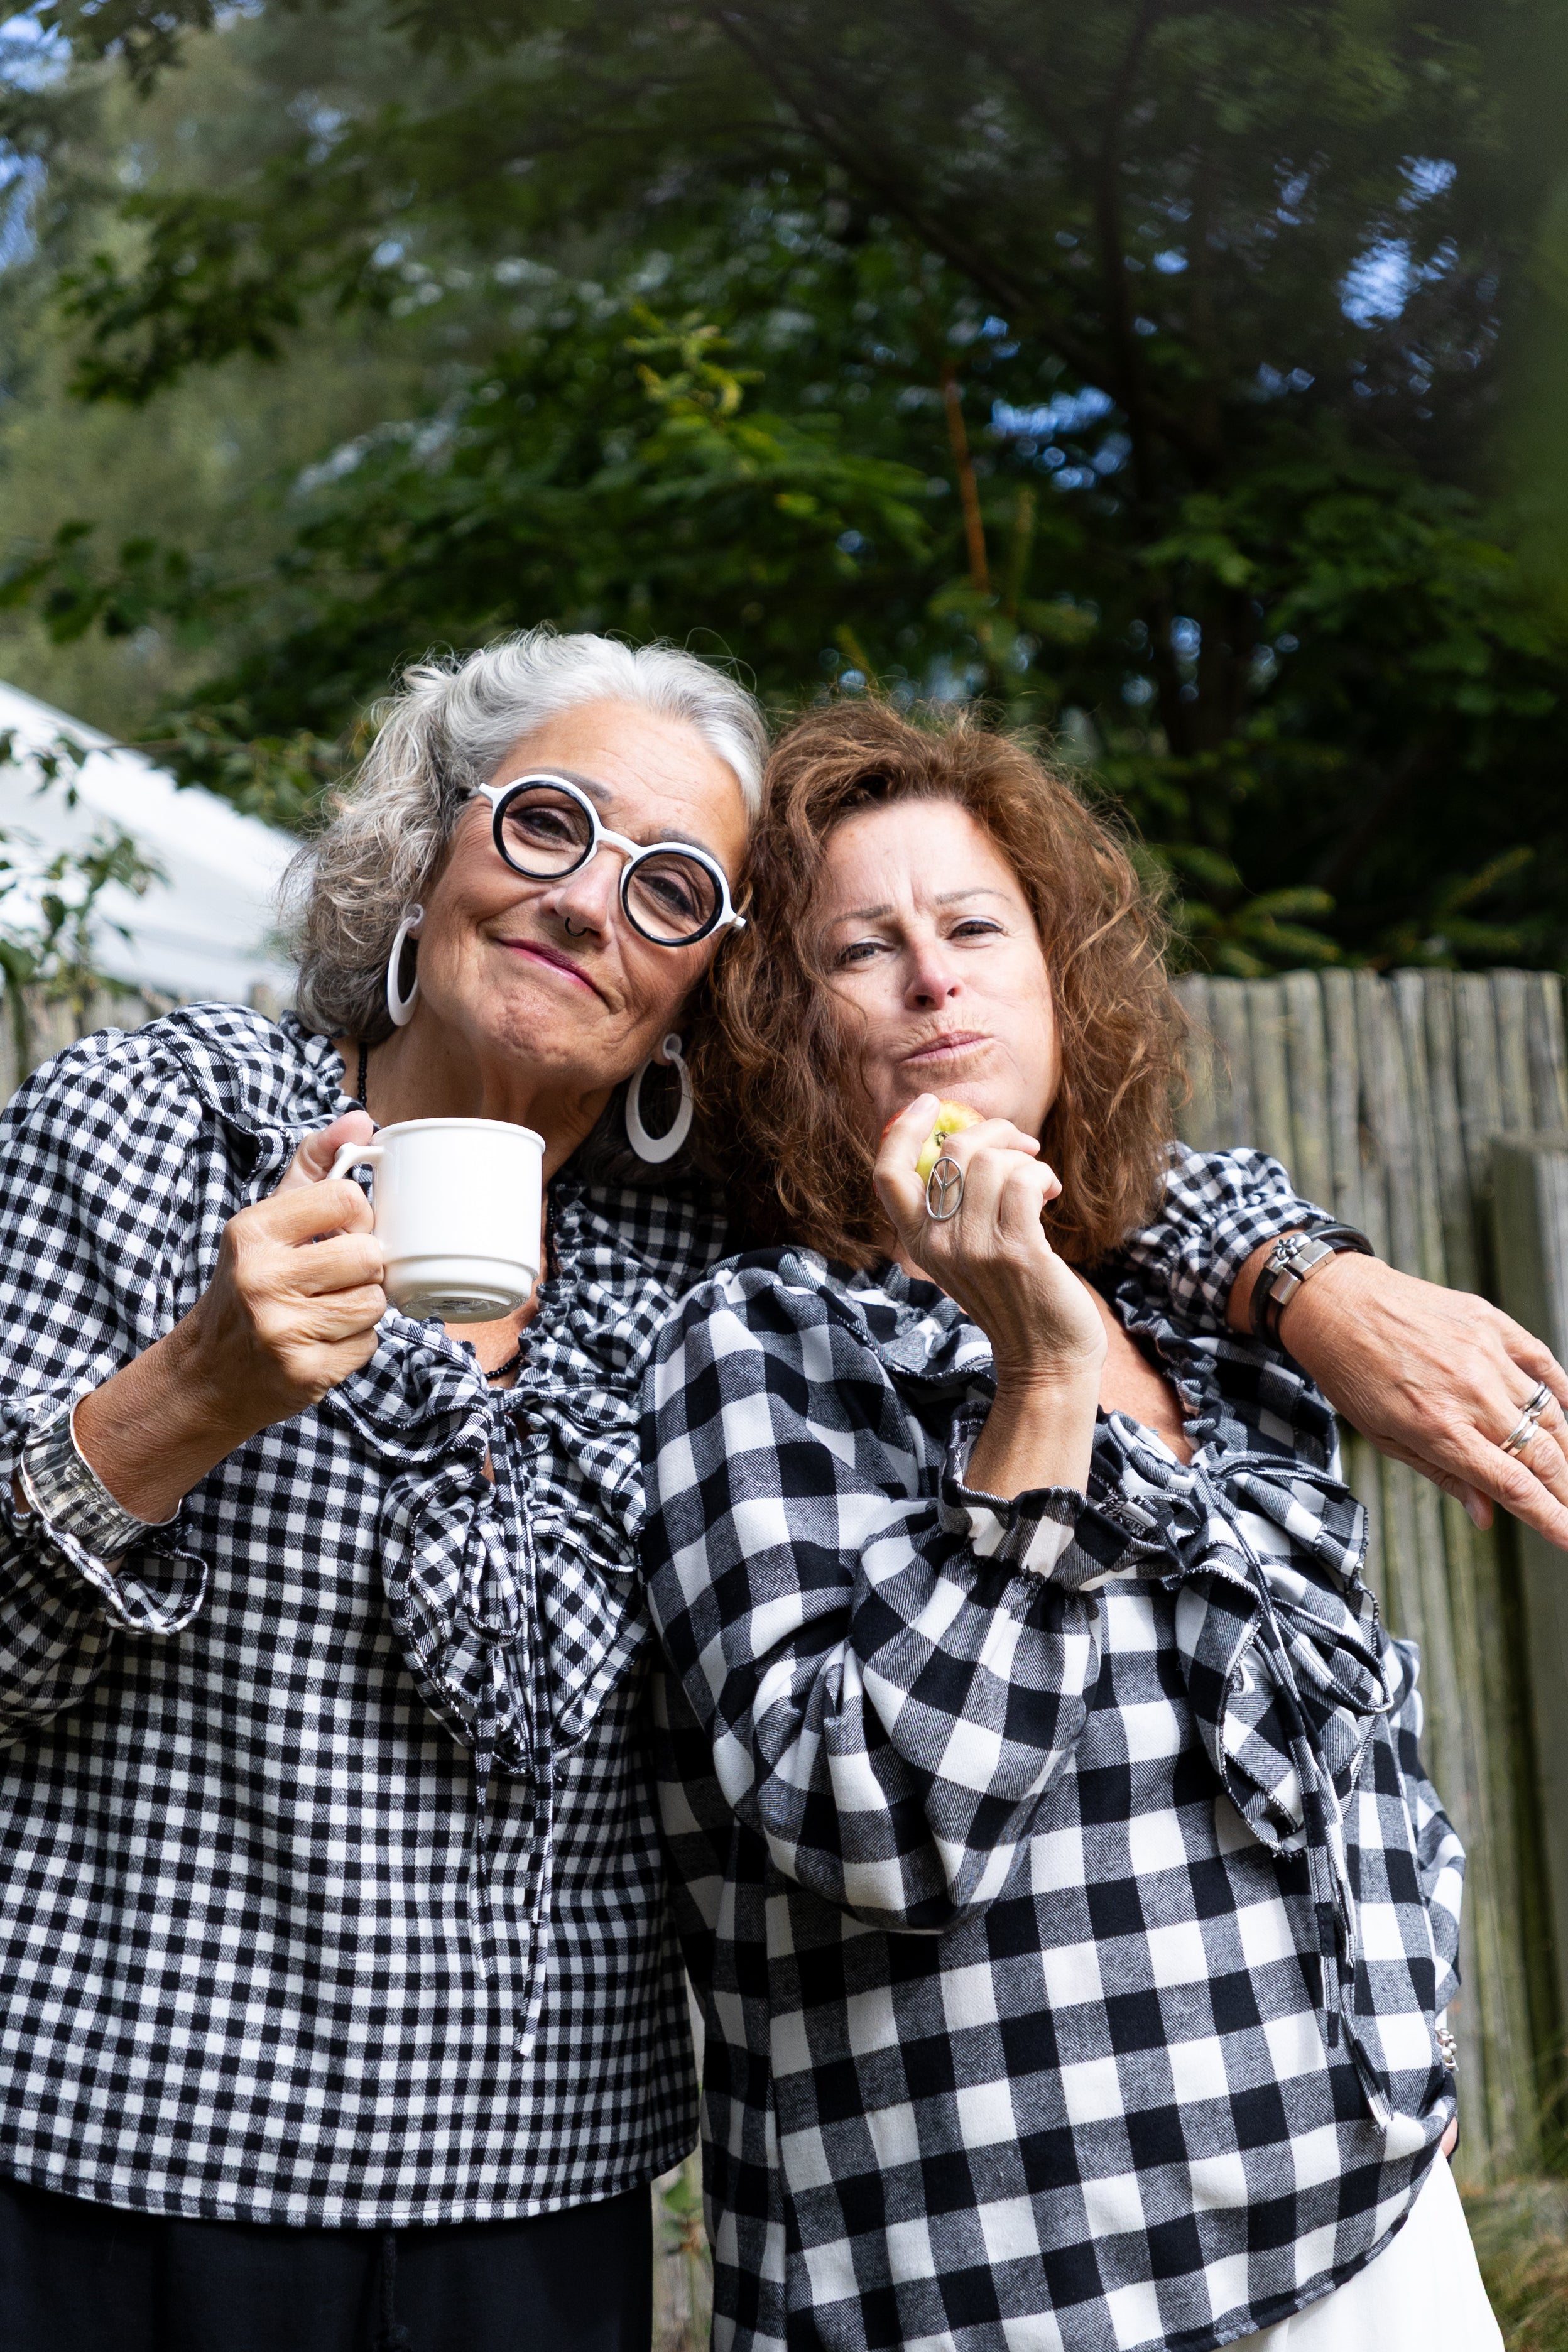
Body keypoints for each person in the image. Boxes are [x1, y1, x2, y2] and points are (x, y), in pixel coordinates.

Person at [640, 700, 1559, 2351]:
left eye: (976, 927)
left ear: (1061, 981)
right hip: (1018, 2285)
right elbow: (868, 1822)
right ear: (783, 1022)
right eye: (866, 950)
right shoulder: (758, 1349)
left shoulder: (1211, 1323)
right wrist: (1043, 1382)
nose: (935, 980)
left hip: (1367, 2228)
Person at [0, 629, 770, 2351]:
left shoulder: (712, 1264)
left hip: (534, 2222)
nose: (590, 905)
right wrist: (197, 1392)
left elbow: (1006, 1115)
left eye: (671, 891)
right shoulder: (150, 1131)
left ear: (706, 982)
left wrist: (1295, 1274)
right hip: (112, 2187)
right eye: (552, 825)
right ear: (428, 850)